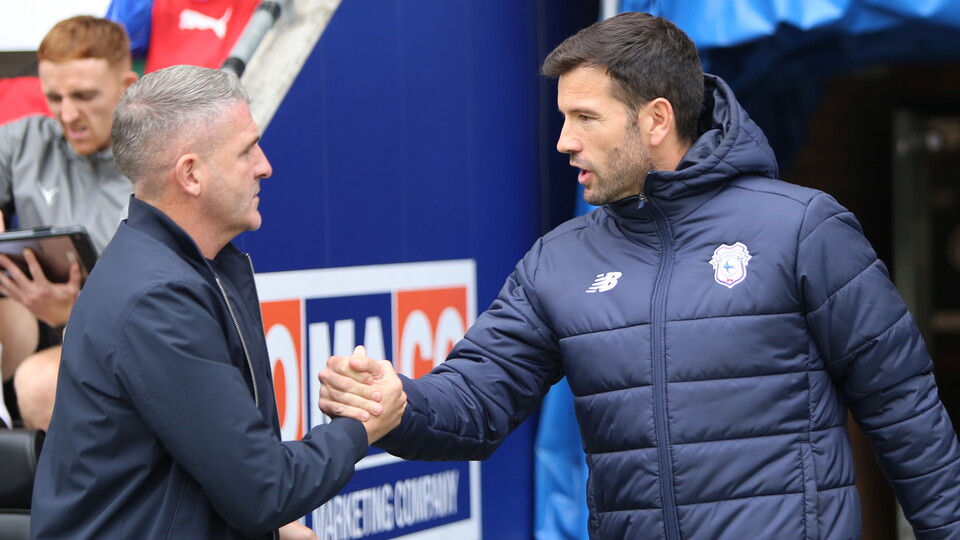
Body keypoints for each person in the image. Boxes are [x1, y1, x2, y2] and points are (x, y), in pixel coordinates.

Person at [318, 12, 960, 540]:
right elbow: (479, 399)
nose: (564, 141)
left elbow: (902, 405)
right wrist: (401, 405)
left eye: (586, 118)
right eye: (564, 117)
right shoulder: (557, 261)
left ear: (656, 119)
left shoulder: (802, 228)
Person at [30, 64, 406, 540]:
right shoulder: (158, 297)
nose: (265, 165)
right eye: (246, 149)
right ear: (191, 174)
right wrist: (362, 424)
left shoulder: (174, 267)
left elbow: (198, 463)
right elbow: (264, 489)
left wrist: (274, 527)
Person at [0, 15, 138, 430]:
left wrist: (72, 314)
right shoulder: (26, 141)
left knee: (41, 383)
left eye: (83, 95)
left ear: (127, 88)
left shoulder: (155, 165)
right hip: (32, 318)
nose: (68, 114)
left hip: (124, 338)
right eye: (54, 97)